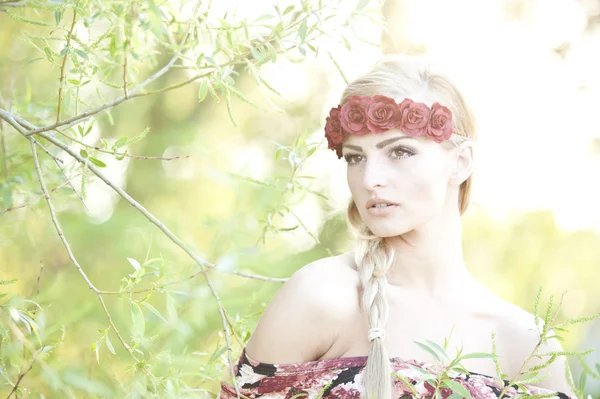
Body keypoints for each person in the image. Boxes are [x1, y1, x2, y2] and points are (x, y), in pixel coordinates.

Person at [219, 55, 577, 399]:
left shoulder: (526, 343)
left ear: (461, 162)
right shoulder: (321, 297)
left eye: (400, 152)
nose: (371, 179)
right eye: (356, 157)